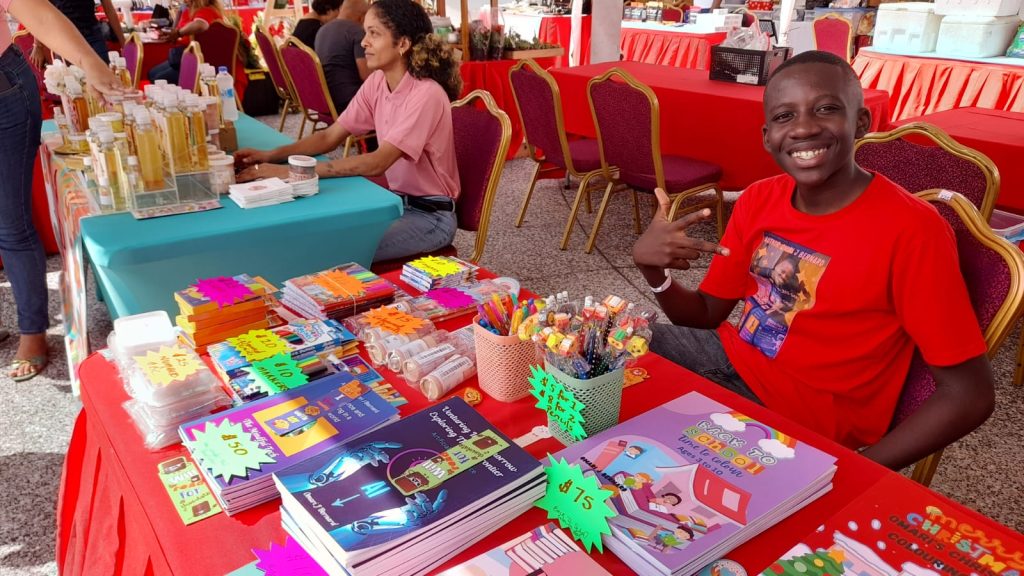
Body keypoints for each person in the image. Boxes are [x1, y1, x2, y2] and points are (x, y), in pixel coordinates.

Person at [631, 50, 994, 472]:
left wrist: (853, 473)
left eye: (825, 109)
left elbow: (970, 395)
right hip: (725, 359)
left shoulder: (913, 231)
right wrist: (652, 270)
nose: (803, 127)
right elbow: (707, 314)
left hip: (801, 418)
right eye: (786, 117)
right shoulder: (759, 198)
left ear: (861, 122)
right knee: (590, 354)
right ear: (768, 136)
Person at [234, 0, 462, 263]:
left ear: (402, 44)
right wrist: (271, 155)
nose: (364, 42)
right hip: (392, 204)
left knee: (331, 252)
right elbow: (330, 136)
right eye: (365, 31)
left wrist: (291, 173)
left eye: (374, 33)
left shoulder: (426, 94)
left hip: (430, 218)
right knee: (313, 232)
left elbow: (378, 162)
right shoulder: (378, 81)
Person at [0, 0, 123, 381]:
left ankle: (32, 330)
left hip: (4, 94)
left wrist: (89, 62)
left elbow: (34, 10)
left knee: (10, 222)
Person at [29, 0, 126, 68]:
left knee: (105, 81)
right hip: (64, 40)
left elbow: (109, 9)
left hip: (93, 35)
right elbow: (41, 13)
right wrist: (37, 46)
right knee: (73, 87)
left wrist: (124, 44)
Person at [147, 0, 224, 84]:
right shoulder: (189, 10)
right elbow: (178, 29)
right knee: (152, 73)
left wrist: (178, 33)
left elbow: (200, 25)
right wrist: (171, 34)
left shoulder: (207, 11)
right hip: (184, 56)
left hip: (198, 61)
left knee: (158, 79)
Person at [315, 0, 370, 114]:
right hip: (349, 103)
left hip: (325, 100)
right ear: (362, 17)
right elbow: (367, 76)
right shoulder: (357, 32)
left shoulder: (322, 30)